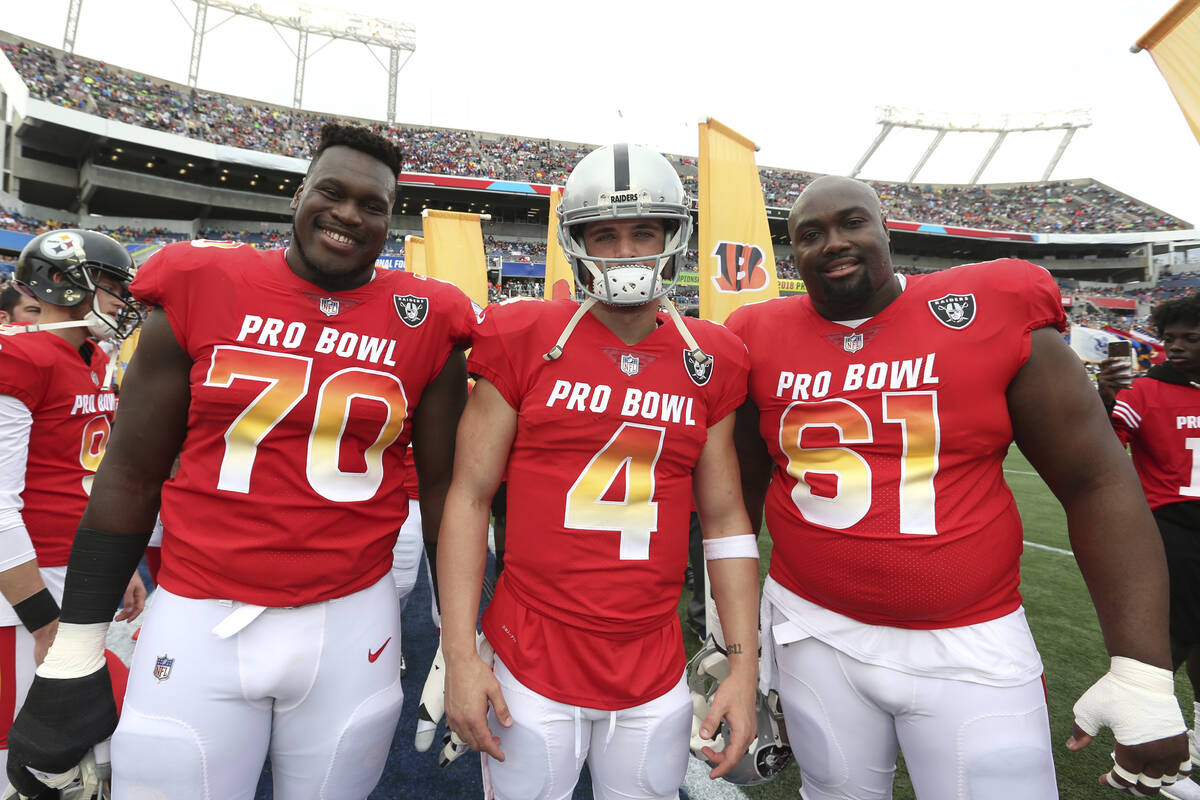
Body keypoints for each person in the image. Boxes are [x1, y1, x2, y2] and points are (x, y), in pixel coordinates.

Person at [5, 123, 477, 800]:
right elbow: (132, 474)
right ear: (297, 197)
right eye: (332, 192)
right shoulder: (203, 282)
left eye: (372, 205)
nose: (349, 213)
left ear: (389, 219)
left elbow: (443, 490)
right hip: (201, 612)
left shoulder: (426, 317)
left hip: (352, 619)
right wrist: (78, 642)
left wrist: (457, 639)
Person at [726, 175, 1190, 800]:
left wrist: (1141, 674)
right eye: (811, 234)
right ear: (793, 254)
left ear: (887, 231)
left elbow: (1097, 482)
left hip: (969, 640)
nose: (834, 242)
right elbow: (737, 501)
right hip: (810, 628)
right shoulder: (756, 335)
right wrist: (729, 639)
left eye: (852, 222)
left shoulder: (988, 305)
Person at [438, 143, 761, 800]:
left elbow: (725, 519)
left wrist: (744, 669)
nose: (625, 251)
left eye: (644, 231)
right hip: (531, 651)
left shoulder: (711, 357)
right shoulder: (523, 334)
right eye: (604, 234)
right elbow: (469, 498)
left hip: (652, 658)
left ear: (674, 235)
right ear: (577, 241)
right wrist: (461, 653)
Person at [0, 229, 146, 781]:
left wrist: (119, 564)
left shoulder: (88, 358)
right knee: (26, 750)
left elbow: (83, 477)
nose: (120, 303)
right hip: (25, 586)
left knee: (91, 749)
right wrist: (41, 623)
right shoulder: (20, 356)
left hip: (77, 568)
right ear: (62, 285)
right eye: (110, 287)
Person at [1098, 294, 1200, 800]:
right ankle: (1138, 746)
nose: (1175, 347)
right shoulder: (1147, 390)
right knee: (1172, 640)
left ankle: (1193, 741)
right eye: (1170, 338)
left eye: (1190, 338)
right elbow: (1104, 439)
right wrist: (1103, 395)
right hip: (1169, 532)